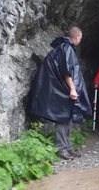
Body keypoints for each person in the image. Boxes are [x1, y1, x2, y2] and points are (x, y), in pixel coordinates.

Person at [27, 26, 91, 160]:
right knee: (62, 117)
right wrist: (72, 89)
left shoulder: (62, 47)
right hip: (63, 89)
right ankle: (61, 149)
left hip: (61, 88)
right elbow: (66, 71)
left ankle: (68, 147)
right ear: (77, 37)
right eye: (80, 38)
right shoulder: (67, 48)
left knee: (68, 117)